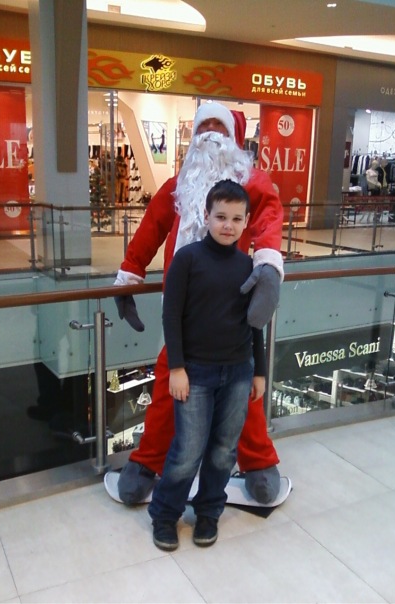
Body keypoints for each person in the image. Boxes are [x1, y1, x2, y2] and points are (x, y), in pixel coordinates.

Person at [113, 101, 284, 506]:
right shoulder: (178, 187)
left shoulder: (252, 185)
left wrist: (268, 266)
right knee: (168, 384)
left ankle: (258, 462)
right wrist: (130, 273)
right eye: (203, 127)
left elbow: (269, 219)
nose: (210, 135)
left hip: (232, 307)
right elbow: (151, 227)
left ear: (234, 138)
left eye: (218, 128)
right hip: (186, 311)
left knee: (242, 391)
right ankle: (148, 462)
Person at [148, 179, 266, 551]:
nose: (228, 225)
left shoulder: (249, 266)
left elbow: (255, 322)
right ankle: (165, 514)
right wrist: (177, 368)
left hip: (238, 371)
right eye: (220, 217)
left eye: (236, 218)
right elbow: (171, 316)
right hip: (195, 373)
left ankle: (208, 512)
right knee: (187, 451)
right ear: (206, 216)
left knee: (223, 451)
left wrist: (259, 370)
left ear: (246, 221)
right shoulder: (188, 259)